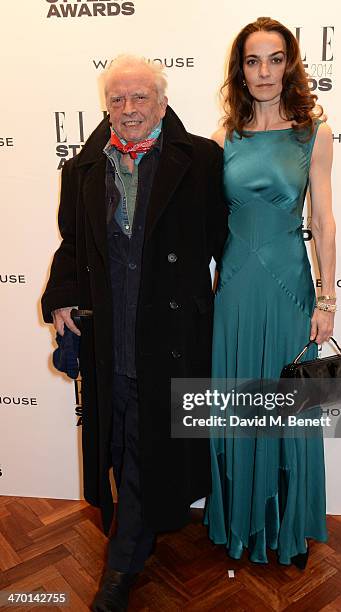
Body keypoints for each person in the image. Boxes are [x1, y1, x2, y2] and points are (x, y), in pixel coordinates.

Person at [41, 55, 227, 612]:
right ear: (107, 107)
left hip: (169, 334)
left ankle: (123, 560)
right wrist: (62, 297)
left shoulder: (200, 161)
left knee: (148, 440)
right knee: (121, 438)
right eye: (117, 99)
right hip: (110, 332)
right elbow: (72, 244)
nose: (128, 109)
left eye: (139, 97)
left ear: (162, 103)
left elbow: (226, 242)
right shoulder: (83, 170)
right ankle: (138, 529)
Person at [204, 17, 336, 568]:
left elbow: (324, 221)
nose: (264, 72)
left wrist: (327, 299)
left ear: (291, 64)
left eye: (275, 58)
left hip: (289, 288)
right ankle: (240, 523)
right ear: (240, 69)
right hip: (233, 288)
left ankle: (286, 526)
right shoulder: (220, 140)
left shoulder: (314, 133)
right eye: (253, 61)